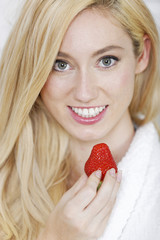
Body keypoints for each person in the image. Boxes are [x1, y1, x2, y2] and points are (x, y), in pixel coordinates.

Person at [0, 0, 160, 239]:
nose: (84, 93)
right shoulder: (6, 176)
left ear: (142, 56)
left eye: (106, 61)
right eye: (60, 64)